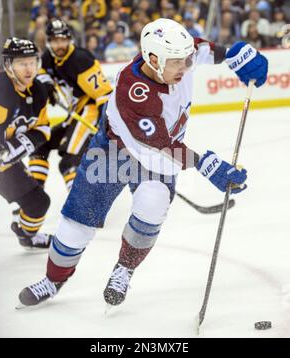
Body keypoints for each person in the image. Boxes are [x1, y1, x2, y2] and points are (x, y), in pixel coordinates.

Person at [18, 18, 268, 307]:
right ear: (153, 59)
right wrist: (206, 165)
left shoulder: (178, 54)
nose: (186, 67)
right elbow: (161, 145)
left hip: (158, 156)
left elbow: (205, 50)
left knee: (152, 207)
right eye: (177, 63)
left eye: (187, 60)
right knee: (77, 222)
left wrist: (238, 54)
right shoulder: (134, 91)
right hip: (115, 153)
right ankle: (53, 279)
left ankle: (124, 269)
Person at [30, 18, 112, 191]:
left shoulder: (81, 60)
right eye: (54, 40)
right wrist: (47, 86)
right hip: (73, 113)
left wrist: (104, 124)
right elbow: (42, 73)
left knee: (69, 161)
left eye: (62, 40)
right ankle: (33, 194)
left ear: (69, 39)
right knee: (40, 145)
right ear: (49, 42)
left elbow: (104, 95)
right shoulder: (48, 57)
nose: (59, 44)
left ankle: (82, 207)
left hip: (88, 112)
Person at [0, 38, 52, 249]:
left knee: (38, 203)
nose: (29, 68)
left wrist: (10, 152)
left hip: (1, 159)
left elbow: (43, 130)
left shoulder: (39, 92)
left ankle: (27, 235)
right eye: (21, 63)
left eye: (32, 62)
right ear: (8, 65)